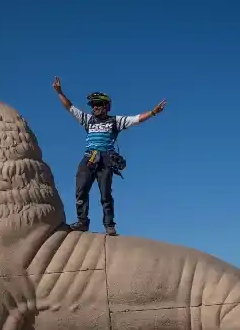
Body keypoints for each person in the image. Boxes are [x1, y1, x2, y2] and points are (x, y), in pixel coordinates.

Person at [52, 77, 166, 235]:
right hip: (89, 157)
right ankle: (82, 222)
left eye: (98, 104)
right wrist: (59, 92)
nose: (95, 107)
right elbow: (70, 107)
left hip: (106, 159)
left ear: (106, 106)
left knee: (105, 194)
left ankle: (109, 225)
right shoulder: (88, 120)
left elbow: (135, 120)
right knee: (81, 189)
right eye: (93, 105)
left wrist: (153, 112)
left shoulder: (115, 121)